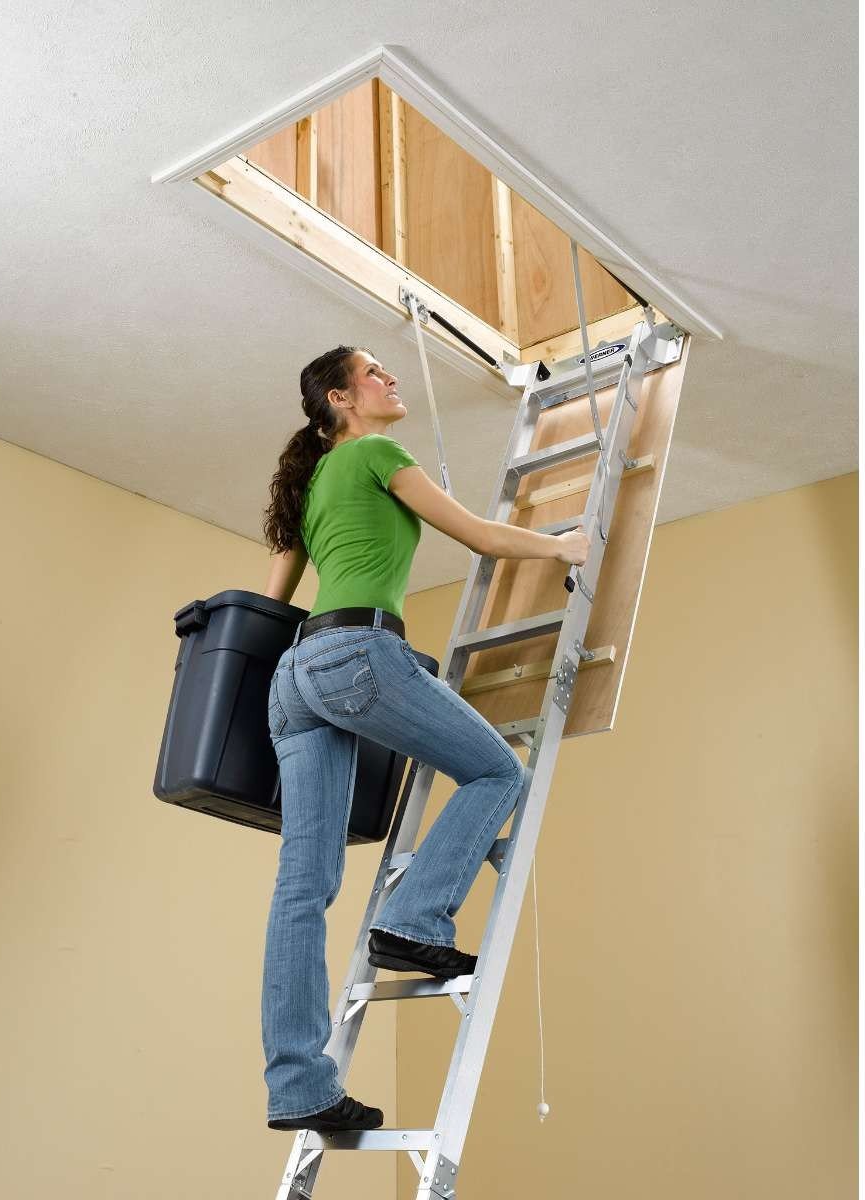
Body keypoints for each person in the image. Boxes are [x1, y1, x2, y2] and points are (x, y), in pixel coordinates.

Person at [259, 344, 589, 1135]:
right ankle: (414, 922)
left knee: (302, 889)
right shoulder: (375, 452)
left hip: (294, 676)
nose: (390, 378)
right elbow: (478, 536)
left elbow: (271, 603)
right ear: (341, 399)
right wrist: (564, 547)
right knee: (497, 773)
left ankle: (299, 1086)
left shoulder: (309, 485)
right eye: (374, 372)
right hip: (356, 655)